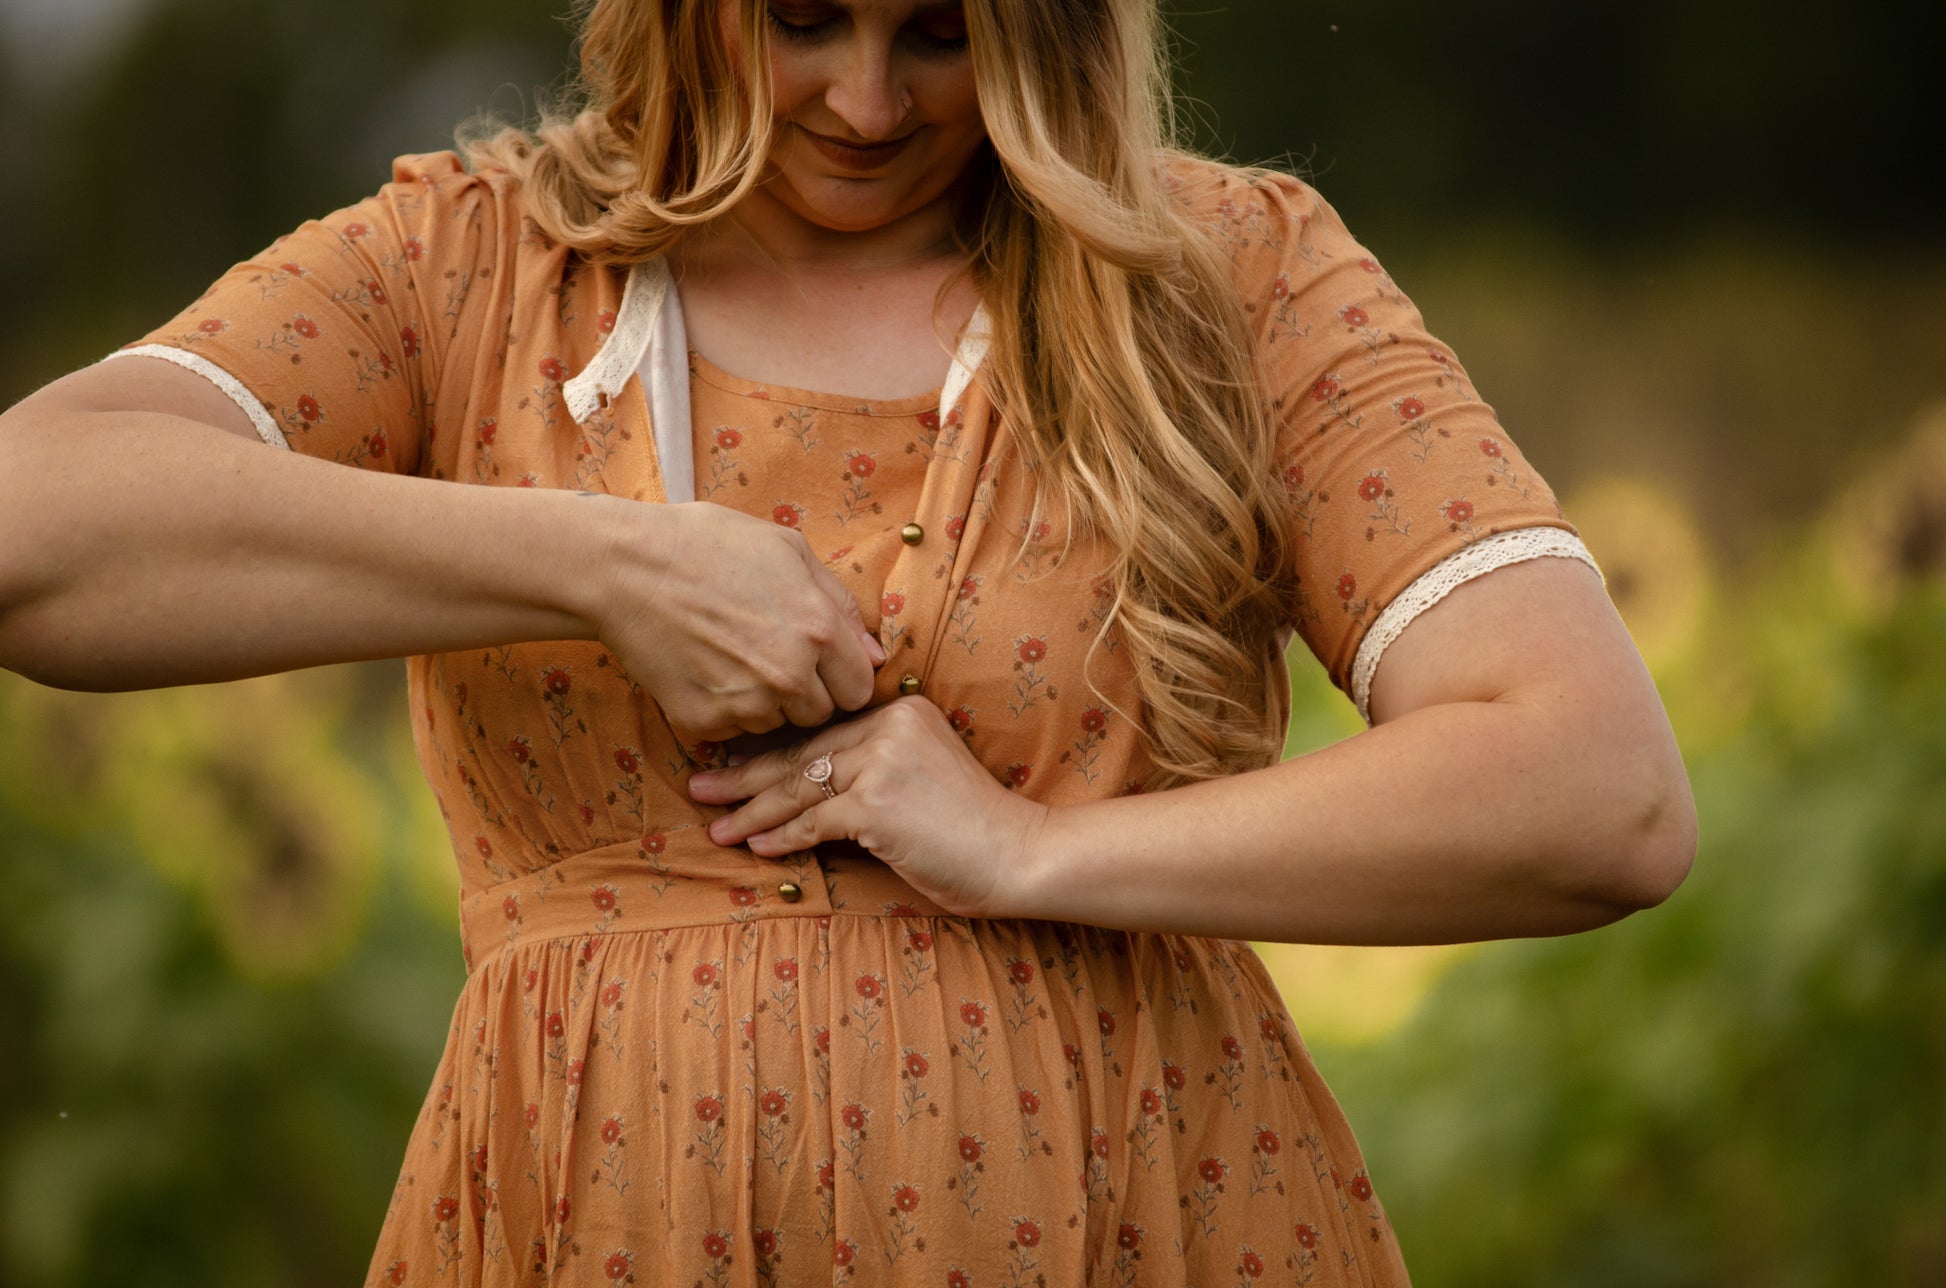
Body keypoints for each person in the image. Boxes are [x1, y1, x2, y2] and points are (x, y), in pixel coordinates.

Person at [0, 0, 1695, 1282]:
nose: (868, 102)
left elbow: (1596, 792)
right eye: (803, 16)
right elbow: (35, 526)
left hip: (1145, 1205)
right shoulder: (473, 269)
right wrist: (603, 565)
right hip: (598, 1215)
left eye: (943, 35)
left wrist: (1035, 850)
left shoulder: (1225, 280)